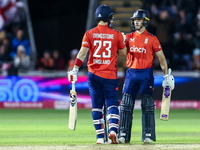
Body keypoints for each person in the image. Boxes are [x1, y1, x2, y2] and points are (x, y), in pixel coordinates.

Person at [68, 5, 126, 144]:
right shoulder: (116, 34)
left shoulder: (89, 33)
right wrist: (117, 46)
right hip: (109, 75)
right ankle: (112, 130)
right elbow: (124, 53)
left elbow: (82, 53)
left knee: (96, 106)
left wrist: (75, 69)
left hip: (93, 75)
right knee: (112, 103)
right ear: (108, 18)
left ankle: (100, 138)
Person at [118, 9, 175, 144]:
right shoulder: (129, 37)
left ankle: (148, 135)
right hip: (131, 73)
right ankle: (123, 135)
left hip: (146, 74)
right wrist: (121, 41)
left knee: (147, 105)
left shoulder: (152, 39)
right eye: (135, 20)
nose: (136, 22)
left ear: (145, 22)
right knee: (126, 104)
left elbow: (161, 58)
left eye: (139, 20)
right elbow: (121, 54)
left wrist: (166, 75)